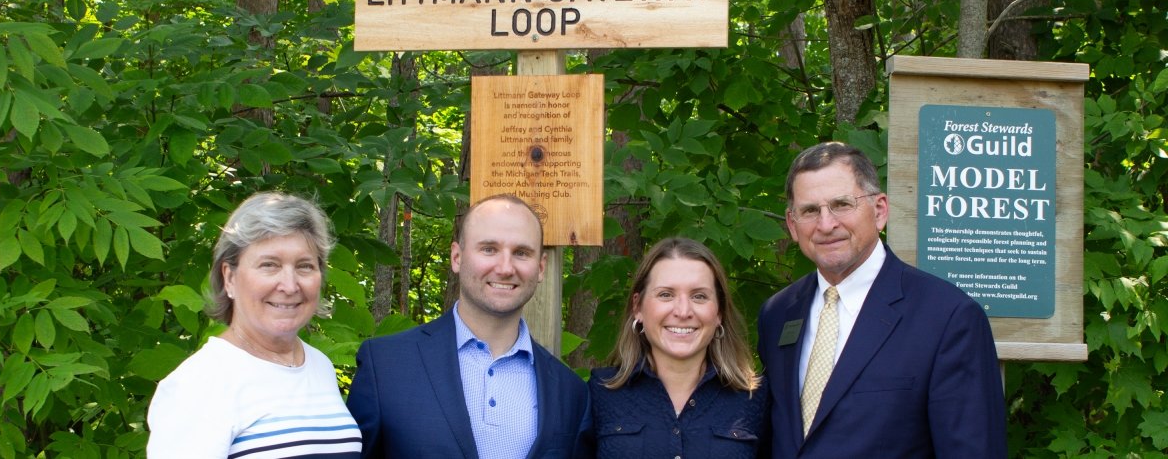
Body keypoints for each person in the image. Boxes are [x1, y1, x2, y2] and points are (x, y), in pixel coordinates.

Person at [757, 141, 1006, 457]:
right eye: (809, 211)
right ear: (792, 225)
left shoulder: (948, 318)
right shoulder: (777, 314)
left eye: (842, 204)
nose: (826, 224)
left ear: (879, 210)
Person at [346, 194, 592, 459]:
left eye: (521, 253)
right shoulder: (386, 366)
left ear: (540, 267)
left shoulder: (571, 393)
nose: (505, 267)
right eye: (489, 249)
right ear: (456, 257)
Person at [147, 192, 361, 458]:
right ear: (230, 278)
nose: (289, 285)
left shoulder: (319, 366)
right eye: (269, 265)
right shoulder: (199, 383)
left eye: (304, 266)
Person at [590, 237, 768, 458]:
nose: (683, 311)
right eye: (666, 294)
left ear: (719, 312)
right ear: (638, 307)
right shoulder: (599, 393)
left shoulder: (755, 399)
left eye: (699, 296)